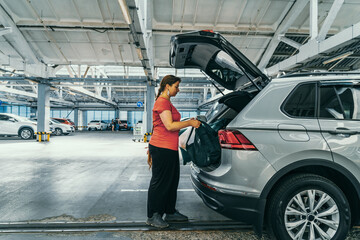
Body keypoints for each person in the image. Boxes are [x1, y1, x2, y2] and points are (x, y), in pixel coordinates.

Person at [146, 75, 201, 228]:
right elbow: (169, 126)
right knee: (160, 182)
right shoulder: (162, 102)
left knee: (171, 181)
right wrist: (189, 122)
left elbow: (172, 124)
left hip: (169, 147)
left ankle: (169, 211)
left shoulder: (167, 102)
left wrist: (189, 121)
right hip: (161, 147)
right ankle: (153, 215)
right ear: (167, 86)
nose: (178, 89)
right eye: (176, 86)